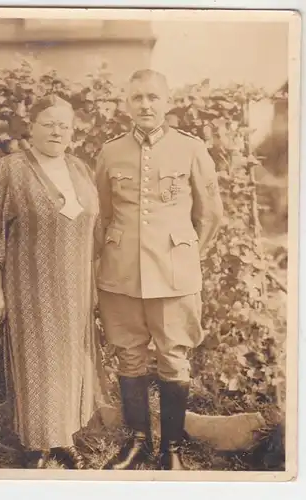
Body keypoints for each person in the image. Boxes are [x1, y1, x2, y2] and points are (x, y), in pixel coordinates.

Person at [95, 69, 224, 471]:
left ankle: (171, 449)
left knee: (174, 358)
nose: (145, 105)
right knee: (129, 357)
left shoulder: (190, 150)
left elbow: (211, 216)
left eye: (153, 97)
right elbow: (103, 215)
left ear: (167, 102)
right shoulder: (110, 152)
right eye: (137, 98)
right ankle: (136, 445)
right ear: (126, 104)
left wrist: (185, 256)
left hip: (173, 276)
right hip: (121, 274)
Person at [0, 94, 109, 469]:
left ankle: (64, 440)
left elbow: (93, 233)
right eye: (48, 123)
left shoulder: (80, 169)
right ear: (30, 127)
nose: (57, 131)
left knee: (70, 363)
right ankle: (37, 448)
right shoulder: (10, 169)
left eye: (64, 125)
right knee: (37, 364)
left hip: (77, 289)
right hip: (30, 287)